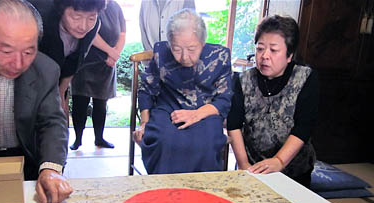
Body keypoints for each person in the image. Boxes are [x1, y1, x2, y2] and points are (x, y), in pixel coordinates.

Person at [0, 0, 72, 203]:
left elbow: (52, 123)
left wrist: (51, 169)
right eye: (7, 51)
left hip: (25, 162)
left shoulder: (46, 70)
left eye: (29, 51)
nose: (19, 64)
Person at [133, 9, 232, 174]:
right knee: (164, 141)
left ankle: (199, 192)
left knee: (204, 144)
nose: (184, 56)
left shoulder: (219, 56)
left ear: (202, 41)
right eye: (177, 49)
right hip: (169, 109)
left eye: (192, 49)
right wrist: (144, 122)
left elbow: (224, 100)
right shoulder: (160, 52)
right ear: (170, 43)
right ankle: (164, 190)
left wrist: (196, 114)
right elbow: (147, 90)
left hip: (205, 111)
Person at [227, 15, 319, 188]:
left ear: (289, 55)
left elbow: (304, 127)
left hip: (293, 170)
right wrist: (244, 165)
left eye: (273, 50)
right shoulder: (243, 80)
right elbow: (234, 124)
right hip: (252, 167)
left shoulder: (305, 78)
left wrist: (279, 161)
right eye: (260, 49)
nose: (264, 56)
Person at [28, 0, 107, 120]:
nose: (83, 26)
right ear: (61, 10)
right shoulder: (39, 20)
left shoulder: (94, 27)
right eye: (76, 17)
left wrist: (61, 93)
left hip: (57, 78)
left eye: (91, 18)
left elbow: (75, 61)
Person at [70, 0, 126, 150]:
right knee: (80, 103)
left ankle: (99, 138)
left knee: (101, 104)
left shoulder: (115, 7)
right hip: (85, 62)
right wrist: (110, 51)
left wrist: (115, 54)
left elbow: (122, 34)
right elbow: (90, 32)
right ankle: (77, 139)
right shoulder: (89, 4)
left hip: (107, 64)